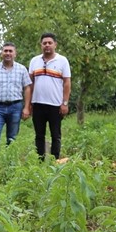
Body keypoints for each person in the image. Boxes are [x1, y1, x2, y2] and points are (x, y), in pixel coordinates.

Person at [0, 42, 32, 163]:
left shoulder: (21, 69)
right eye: (5, 51)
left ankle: (10, 164)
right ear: (1, 53)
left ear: (15, 53)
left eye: (10, 51)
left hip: (15, 107)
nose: (8, 53)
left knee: (12, 138)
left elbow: (27, 88)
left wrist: (26, 107)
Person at [28, 32, 71, 160]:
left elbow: (67, 82)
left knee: (55, 135)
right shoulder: (34, 61)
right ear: (41, 45)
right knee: (39, 135)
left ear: (55, 45)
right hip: (38, 104)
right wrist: (29, 104)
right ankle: (40, 161)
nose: (47, 45)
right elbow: (30, 84)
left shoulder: (62, 60)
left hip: (55, 105)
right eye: (44, 43)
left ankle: (55, 161)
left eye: (50, 43)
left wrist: (65, 103)